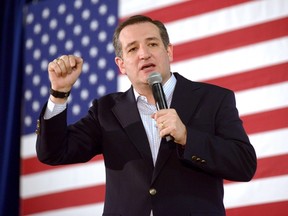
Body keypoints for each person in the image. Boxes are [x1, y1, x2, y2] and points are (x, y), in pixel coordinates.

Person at [36, 15, 257, 216]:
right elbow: (53, 152)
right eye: (132, 49)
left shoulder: (213, 99)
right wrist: (59, 94)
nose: (144, 53)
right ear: (121, 65)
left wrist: (188, 137)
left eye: (152, 44)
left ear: (168, 51)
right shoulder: (106, 111)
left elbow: (244, 164)